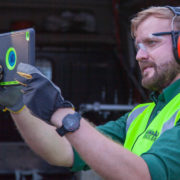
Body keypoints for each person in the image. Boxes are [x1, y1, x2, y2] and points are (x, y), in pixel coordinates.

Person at [0, 5, 180, 180]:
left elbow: (142, 176)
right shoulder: (140, 115)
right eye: (138, 46)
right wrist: (18, 104)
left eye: (151, 42)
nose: (139, 56)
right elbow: (65, 150)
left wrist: (60, 112)